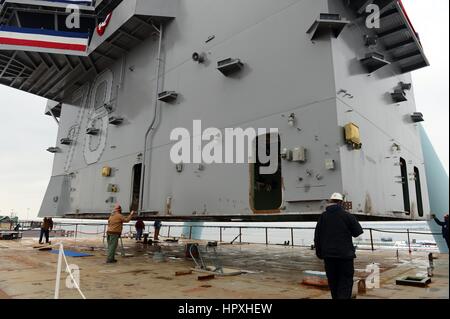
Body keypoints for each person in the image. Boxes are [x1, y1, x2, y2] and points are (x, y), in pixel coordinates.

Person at [314, 193, 364, 299]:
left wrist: (320, 254)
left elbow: (317, 237)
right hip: (345, 257)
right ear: (341, 202)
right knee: (345, 283)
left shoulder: (323, 217)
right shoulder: (347, 215)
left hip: (329, 258)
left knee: (333, 284)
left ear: (331, 202)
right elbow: (358, 232)